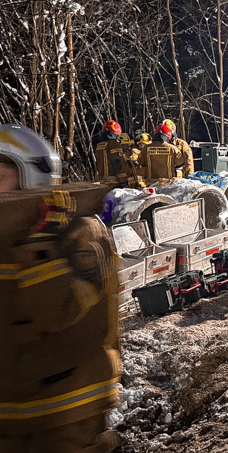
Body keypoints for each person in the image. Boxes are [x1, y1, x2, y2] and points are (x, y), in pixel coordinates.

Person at [0, 123, 121, 453]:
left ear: (32, 175)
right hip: (12, 411)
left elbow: (60, 312)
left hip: (65, 410)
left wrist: (40, 248)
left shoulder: (82, 233)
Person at [94, 120, 134, 184]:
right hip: (114, 181)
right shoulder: (113, 144)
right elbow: (118, 162)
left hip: (102, 181)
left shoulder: (99, 145)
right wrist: (123, 180)